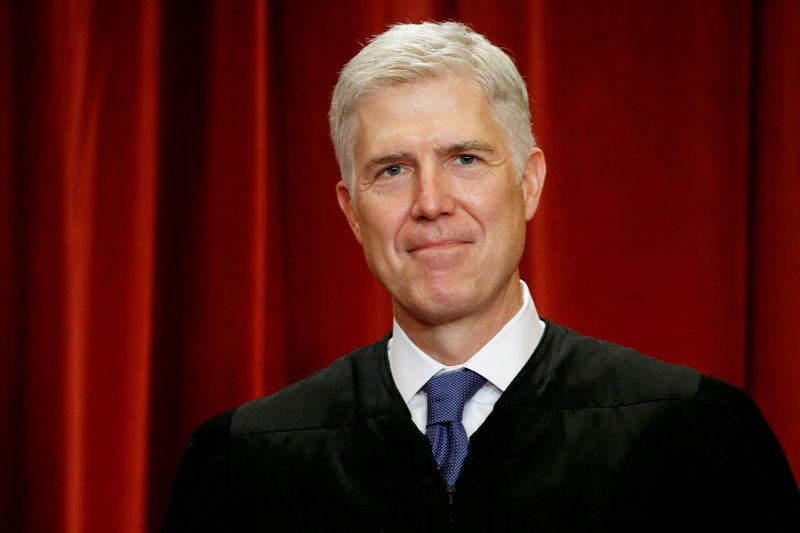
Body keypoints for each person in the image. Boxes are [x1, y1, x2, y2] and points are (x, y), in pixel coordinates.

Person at [163, 22, 799, 532]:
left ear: (528, 183)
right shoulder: (246, 463)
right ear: (351, 210)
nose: (431, 202)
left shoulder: (693, 438)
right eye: (391, 170)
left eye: (465, 159)